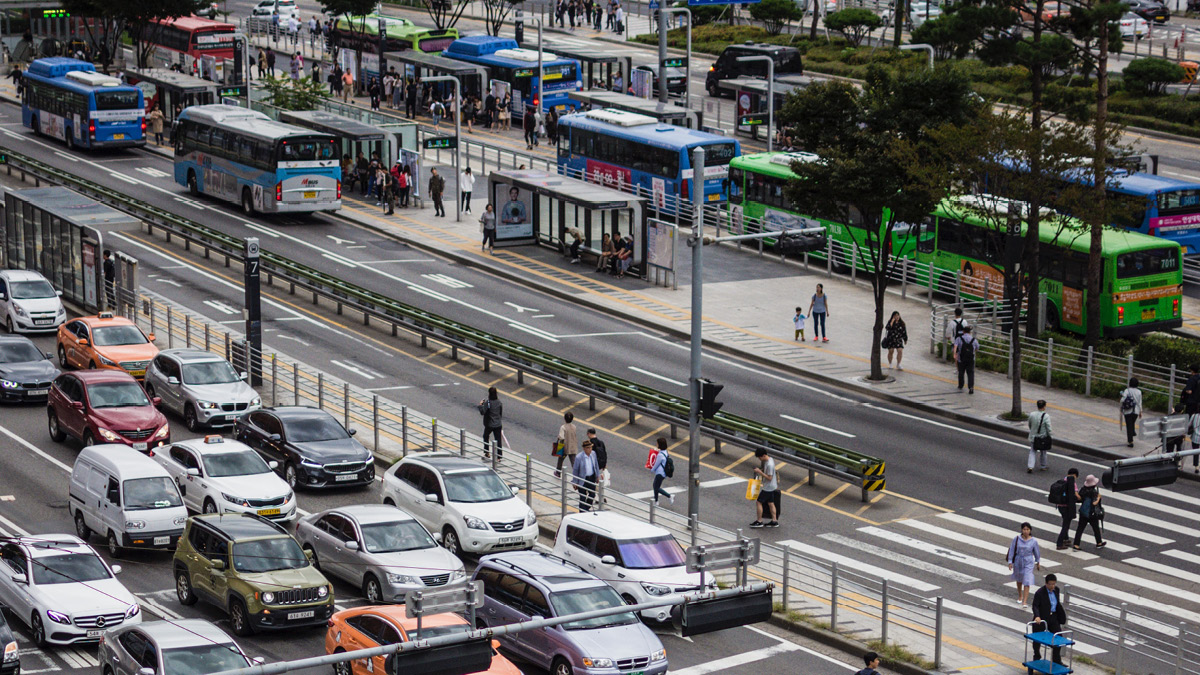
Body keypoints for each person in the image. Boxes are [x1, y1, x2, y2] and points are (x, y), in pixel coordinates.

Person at [1030, 574, 1068, 665]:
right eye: (1050, 584)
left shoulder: (1056, 590)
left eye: (1054, 584)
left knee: (1058, 638)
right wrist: (1037, 616)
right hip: (1042, 618)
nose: (1052, 586)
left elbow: (1057, 603)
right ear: (1046, 583)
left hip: (1053, 617)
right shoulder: (1040, 592)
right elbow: (1035, 605)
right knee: (1037, 639)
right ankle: (1037, 657)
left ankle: (1056, 659)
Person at [1006, 523, 1041, 608]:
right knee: (1019, 579)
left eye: (1027, 529)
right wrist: (1010, 562)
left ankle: (1024, 601)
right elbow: (1012, 549)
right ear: (1022, 530)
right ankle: (1020, 596)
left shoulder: (1033, 541)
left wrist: (1038, 562)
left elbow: (1036, 552)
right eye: (1024, 529)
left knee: (1027, 579)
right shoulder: (1017, 539)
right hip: (1018, 560)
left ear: (1030, 530)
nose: (1026, 531)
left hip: (1028, 561)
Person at [1073, 474, 1107, 550]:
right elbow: (1094, 503)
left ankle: (1076, 544)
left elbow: (1080, 499)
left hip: (1083, 512)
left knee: (1080, 529)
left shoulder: (1083, 490)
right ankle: (1099, 543)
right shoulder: (1094, 492)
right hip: (1092, 514)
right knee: (1096, 528)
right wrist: (1098, 498)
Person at [750, 449, 780, 528]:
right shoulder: (770, 460)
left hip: (768, 487)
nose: (759, 459)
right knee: (771, 503)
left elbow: (769, 477)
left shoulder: (769, 464)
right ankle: (774, 521)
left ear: (763, 455)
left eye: (760, 457)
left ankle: (759, 521)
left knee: (759, 502)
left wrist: (760, 472)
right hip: (772, 486)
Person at [1054, 468, 1080, 550]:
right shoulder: (1072, 483)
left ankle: (1066, 539)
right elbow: (1077, 496)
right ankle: (1059, 543)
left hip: (1060, 506)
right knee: (1066, 525)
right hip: (1067, 507)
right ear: (1075, 475)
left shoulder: (1063, 481)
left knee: (1065, 522)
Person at [572, 441, 599, 511]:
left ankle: (586, 509)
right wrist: (575, 482)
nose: (590, 449)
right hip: (582, 479)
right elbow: (575, 470)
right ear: (584, 449)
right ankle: (582, 512)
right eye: (588, 448)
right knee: (583, 497)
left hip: (591, 478)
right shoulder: (579, 457)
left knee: (592, 495)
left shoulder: (593, 454)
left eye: (591, 447)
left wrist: (597, 476)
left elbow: (596, 465)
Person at [478, 387, 504, 460]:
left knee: (486, 436)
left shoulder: (488, 402)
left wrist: (480, 405)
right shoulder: (499, 402)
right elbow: (500, 413)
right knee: (498, 440)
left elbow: (483, 412)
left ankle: (487, 452)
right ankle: (499, 457)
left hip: (490, 424)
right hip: (498, 424)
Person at [1028, 400, 1052, 473]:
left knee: (1032, 451)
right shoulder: (1046, 416)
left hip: (1033, 437)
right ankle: (1043, 466)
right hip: (1042, 437)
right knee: (1043, 452)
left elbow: (1030, 424)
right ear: (1044, 406)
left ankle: (1030, 466)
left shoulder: (1032, 414)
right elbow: (1048, 428)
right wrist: (1049, 435)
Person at [1119, 377, 1143, 448]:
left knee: (1129, 425)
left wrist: (1121, 405)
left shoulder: (1127, 390)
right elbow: (1140, 402)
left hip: (1127, 411)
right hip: (1136, 411)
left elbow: (1122, 400)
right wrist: (1140, 411)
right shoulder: (1139, 392)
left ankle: (1130, 441)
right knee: (1132, 423)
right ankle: (1132, 432)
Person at [953, 325, 977, 394]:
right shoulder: (974, 340)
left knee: (961, 372)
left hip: (961, 358)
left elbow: (955, 346)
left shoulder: (959, 338)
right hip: (971, 359)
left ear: (963, 331)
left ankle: (961, 385)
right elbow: (977, 348)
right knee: (970, 373)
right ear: (970, 332)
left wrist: (955, 354)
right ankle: (971, 387)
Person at [649, 437, 673, 504]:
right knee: (656, 486)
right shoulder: (665, 452)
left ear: (660, 444)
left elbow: (656, 464)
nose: (656, 444)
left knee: (656, 487)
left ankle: (669, 496)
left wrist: (652, 469)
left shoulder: (660, 455)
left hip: (660, 473)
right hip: (663, 473)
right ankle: (656, 500)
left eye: (657, 443)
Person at [555, 411, 579, 477]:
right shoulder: (574, 427)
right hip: (573, 446)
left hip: (564, 447)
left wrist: (558, 437)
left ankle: (558, 472)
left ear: (564, 419)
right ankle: (576, 475)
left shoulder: (563, 427)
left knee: (560, 460)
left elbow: (561, 437)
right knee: (573, 462)